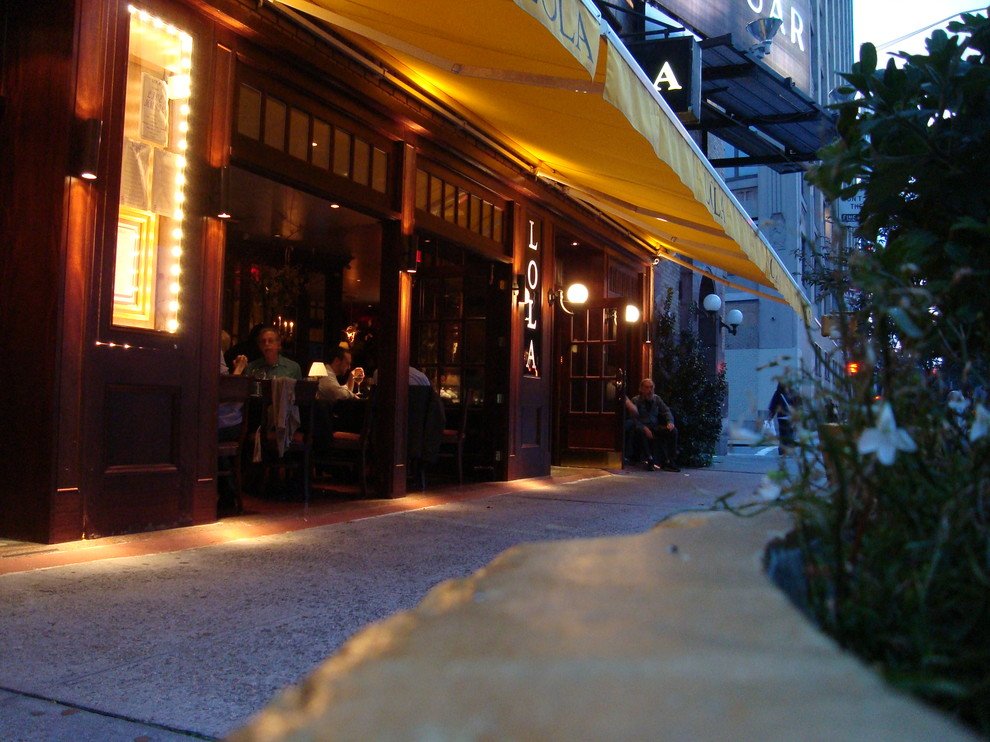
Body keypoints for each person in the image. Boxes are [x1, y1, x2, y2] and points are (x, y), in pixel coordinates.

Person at [624, 378, 680, 472]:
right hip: (642, 427)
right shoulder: (636, 400)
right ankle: (649, 459)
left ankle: (670, 461)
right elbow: (634, 419)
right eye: (647, 387)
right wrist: (644, 427)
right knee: (640, 431)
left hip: (654, 426)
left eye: (651, 387)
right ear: (641, 389)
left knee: (673, 431)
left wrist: (670, 422)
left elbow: (666, 410)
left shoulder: (656, 399)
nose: (650, 390)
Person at [768, 382, 794, 454]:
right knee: (790, 432)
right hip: (790, 416)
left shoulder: (778, 393)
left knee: (782, 433)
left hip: (781, 417)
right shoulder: (791, 392)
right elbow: (797, 404)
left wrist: (771, 416)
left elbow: (773, 405)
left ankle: (782, 449)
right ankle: (789, 448)